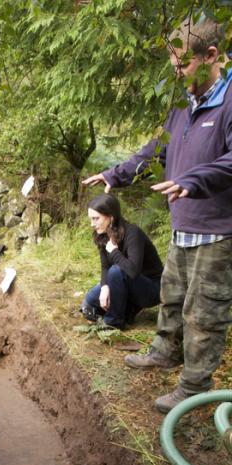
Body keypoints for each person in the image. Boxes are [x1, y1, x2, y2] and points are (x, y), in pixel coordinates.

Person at [83, 16, 232, 413]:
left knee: (204, 312)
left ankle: (195, 386)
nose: (177, 72)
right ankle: (164, 351)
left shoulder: (230, 99)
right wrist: (116, 173)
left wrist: (195, 180)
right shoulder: (183, 105)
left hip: (219, 231)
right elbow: (156, 151)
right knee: (172, 298)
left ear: (212, 55)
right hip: (184, 225)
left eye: (183, 65)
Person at [81, 194, 163, 329]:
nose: (92, 224)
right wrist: (105, 287)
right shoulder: (103, 233)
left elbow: (132, 271)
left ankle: (114, 322)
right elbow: (105, 266)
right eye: (91, 219)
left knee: (117, 270)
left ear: (111, 217)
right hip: (125, 281)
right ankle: (128, 309)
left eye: (96, 219)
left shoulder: (133, 233)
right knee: (90, 300)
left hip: (151, 288)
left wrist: (114, 252)